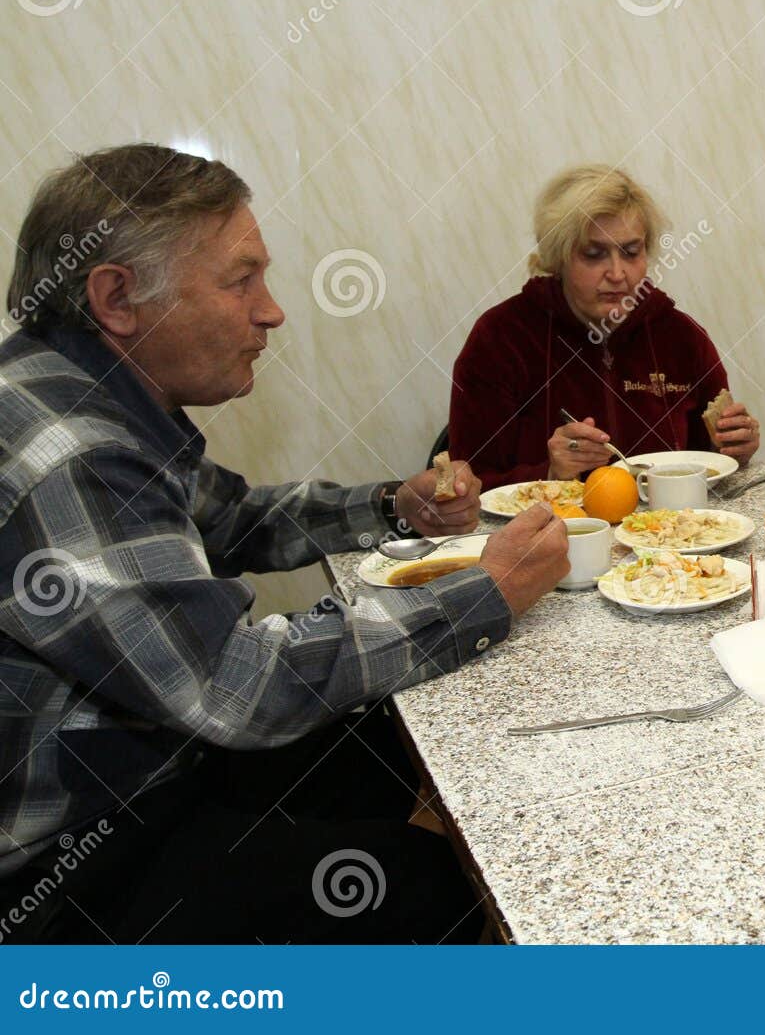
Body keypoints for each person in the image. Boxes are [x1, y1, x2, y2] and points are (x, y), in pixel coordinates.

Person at [0, 144, 569, 943]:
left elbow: (234, 518)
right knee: (426, 885)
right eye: (241, 280)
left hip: (146, 760)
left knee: (384, 736)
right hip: (67, 871)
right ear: (117, 297)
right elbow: (234, 690)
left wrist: (390, 506)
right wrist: (487, 591)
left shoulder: (79, 391)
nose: (270, 310)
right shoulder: (71, 451)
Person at [449, 165, 760, 488]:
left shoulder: (682, 336)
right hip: (549, 533)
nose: (617, 273)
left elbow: (708, 463)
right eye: (594, 254)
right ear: (559, 258)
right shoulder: (500, 338)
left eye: (631, 252)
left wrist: (733, 449)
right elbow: (466, 489)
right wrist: (549, 474)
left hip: (668, 533)